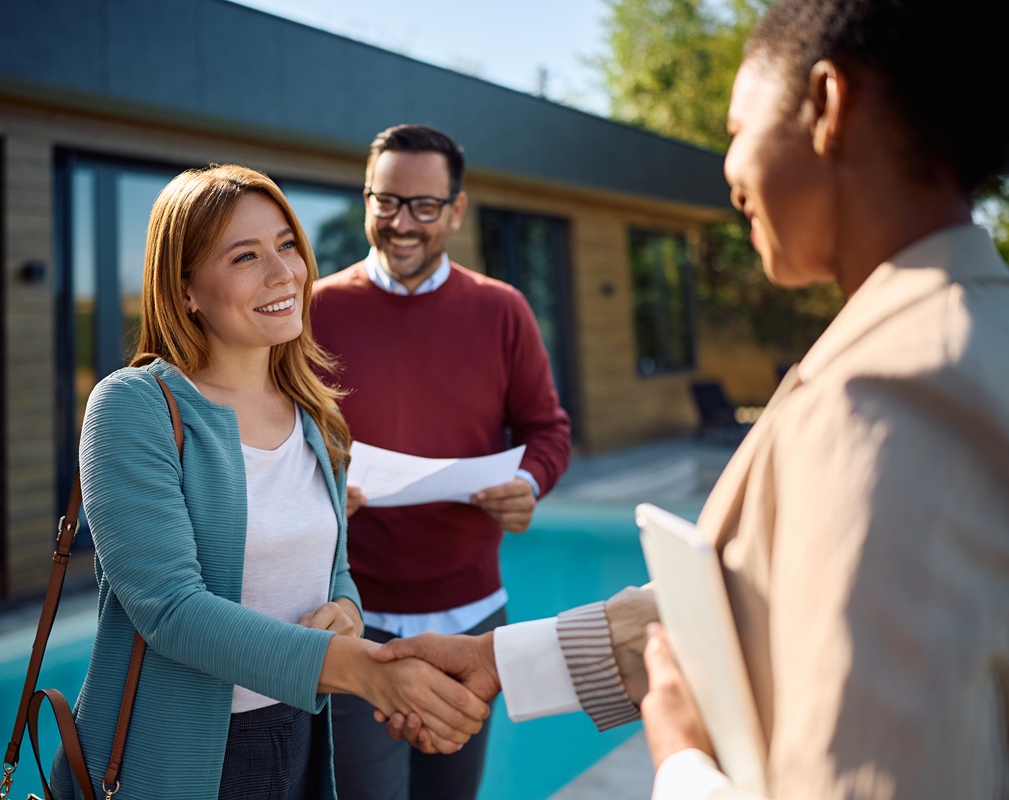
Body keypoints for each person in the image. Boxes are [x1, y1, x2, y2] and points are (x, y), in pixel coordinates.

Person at [369, 2, 1009, 797]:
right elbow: (742, 597)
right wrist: (499, 660)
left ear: (828, 107)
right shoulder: (957, 333)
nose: (730, 170)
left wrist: (680, 761)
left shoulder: (893, 396)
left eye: (738, 129)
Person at [50, 164, 490, 800]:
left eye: (287, 245)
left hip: (300, 739)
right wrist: (362, 669)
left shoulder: (316, 414)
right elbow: (170, 610)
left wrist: (346, 612)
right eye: (245, 256)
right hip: (176, 758)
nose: (284, 273)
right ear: (188, 290)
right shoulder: (133, 407)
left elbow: (335, 571)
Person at [310, 124, 572, 800]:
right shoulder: (314, 311)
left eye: (424, 206)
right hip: (352, 617)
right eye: (386, 202)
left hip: (472, 618)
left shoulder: (502, 310)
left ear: (456, 210)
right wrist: (315, 488)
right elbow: (277, 439)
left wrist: (526, 481)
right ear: (366, 200)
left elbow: (548, 429)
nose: (403, 224)